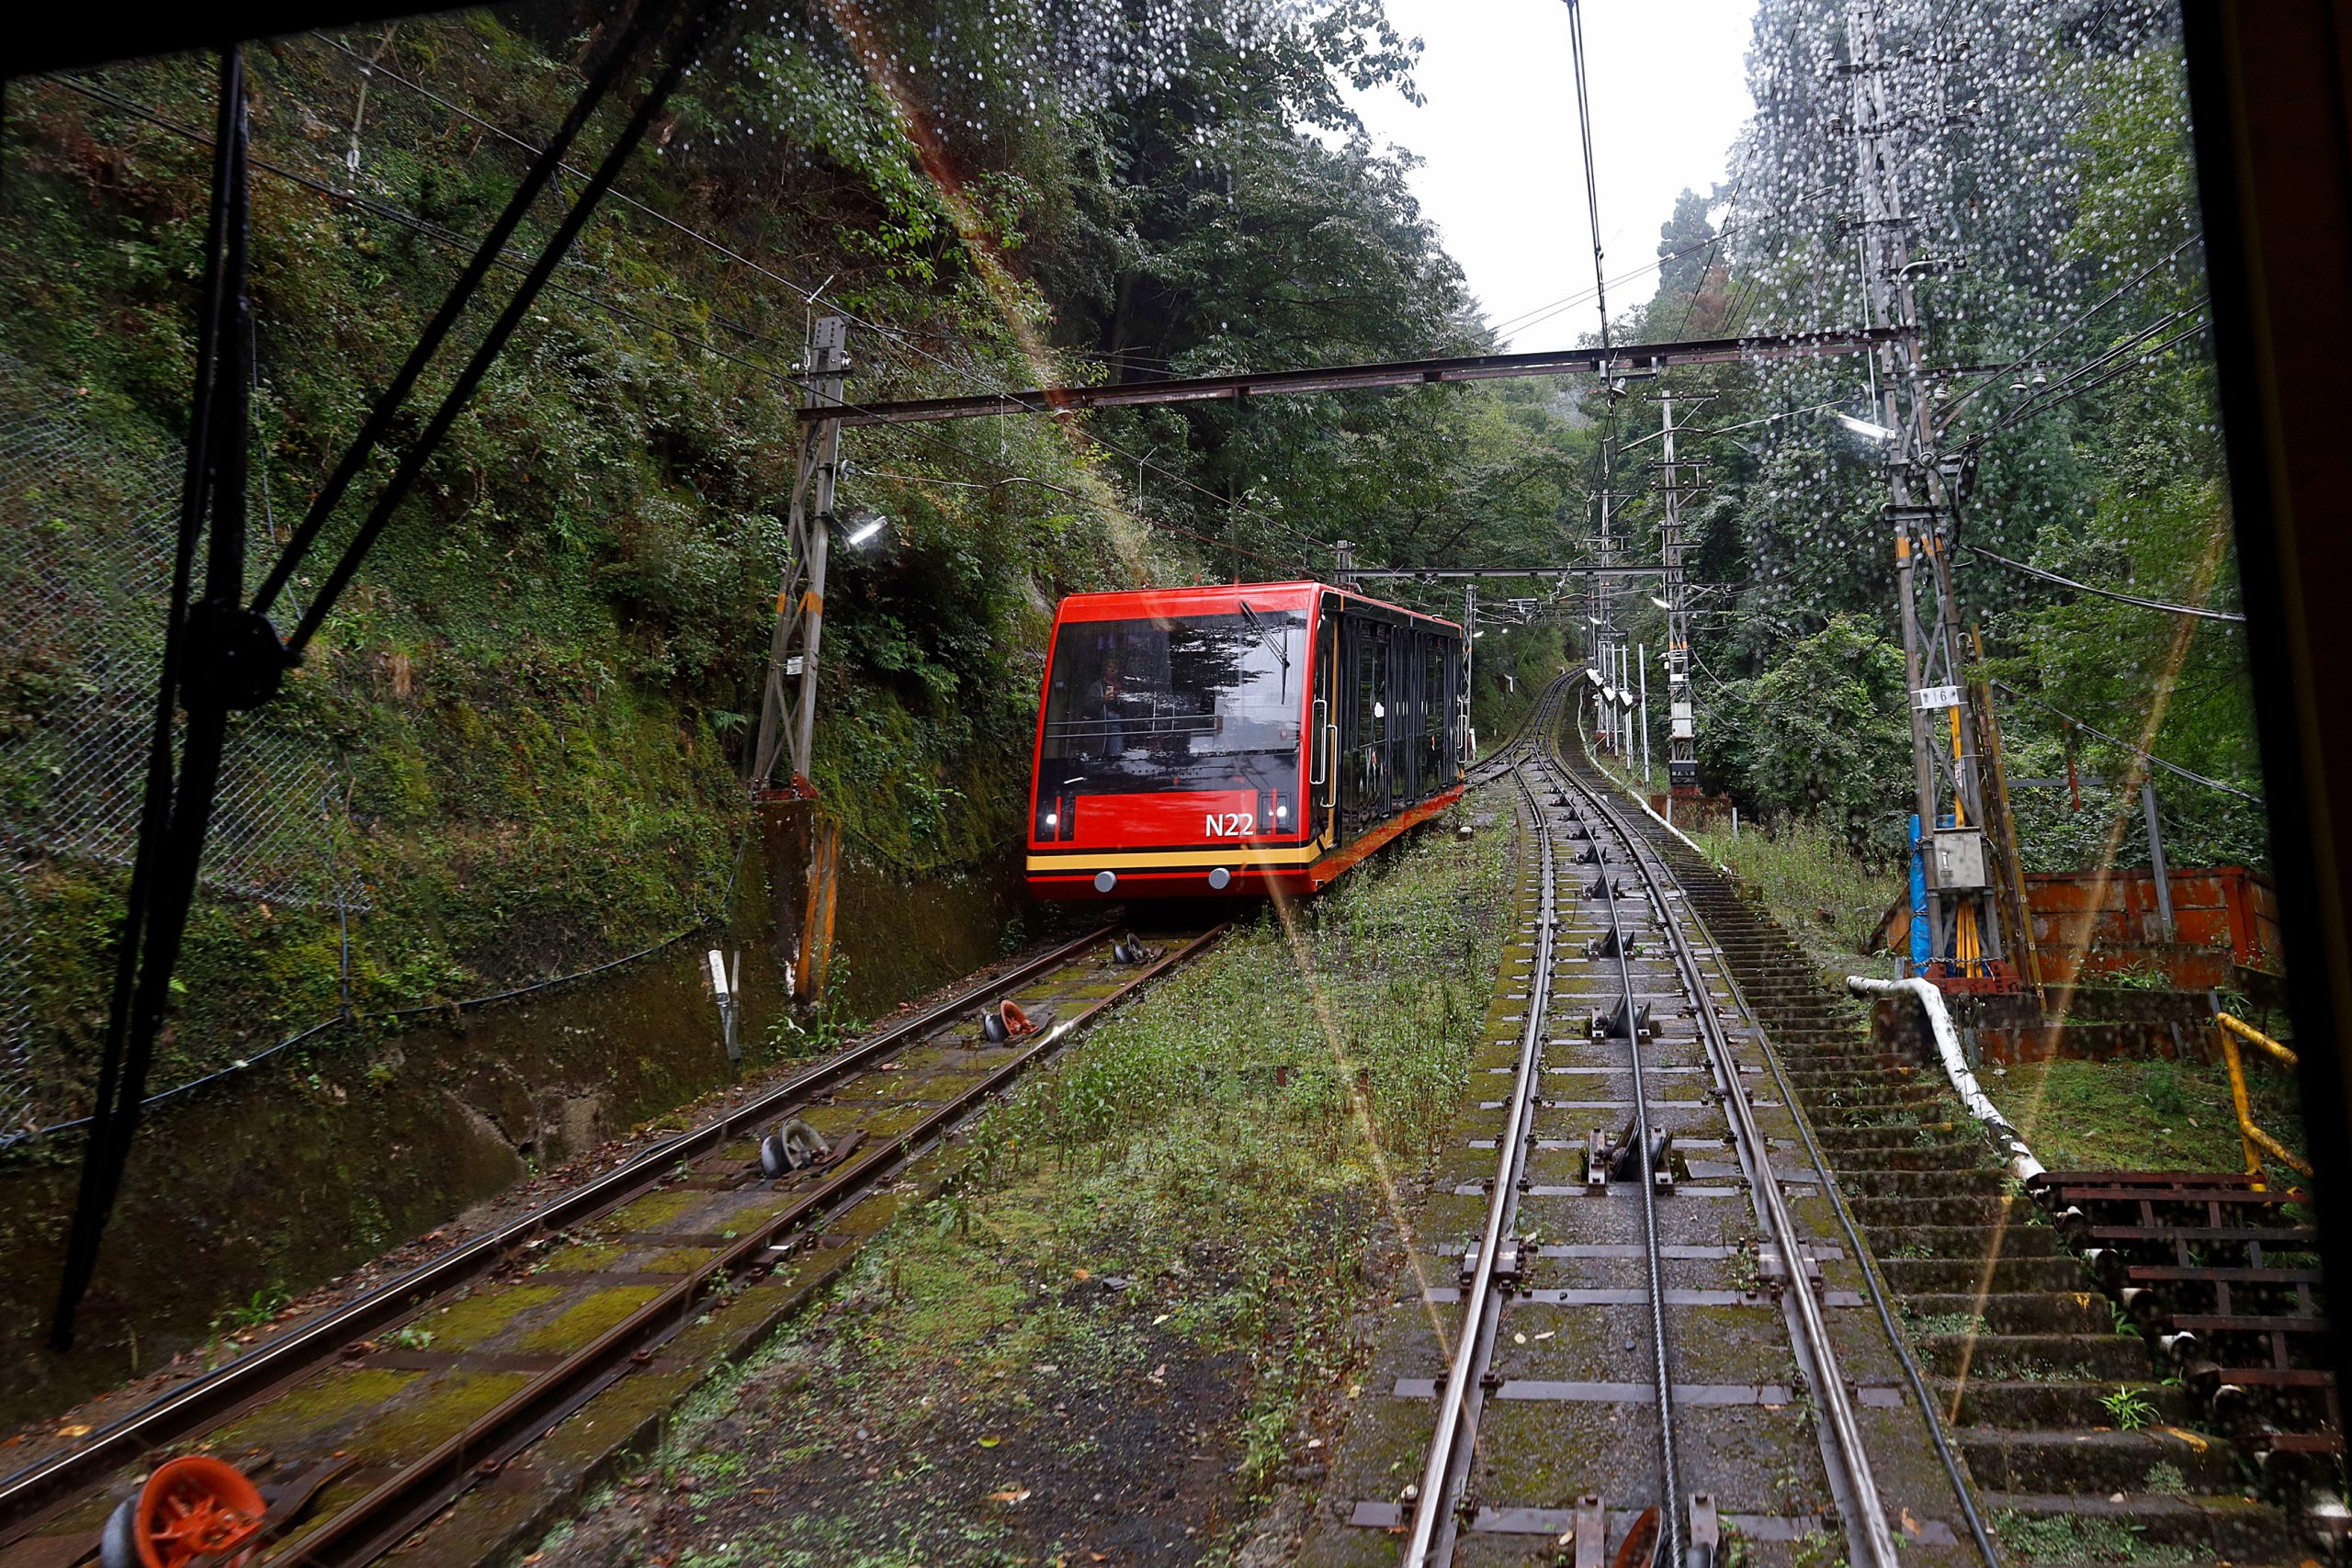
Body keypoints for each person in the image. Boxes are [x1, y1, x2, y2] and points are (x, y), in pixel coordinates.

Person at [1083, 652, 1130, 760]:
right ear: (1105, 669)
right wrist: (1102, 700)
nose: (1112, 670)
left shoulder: (1124, 687)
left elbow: (1132, 711)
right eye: (1110, 667)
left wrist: (1124, 699)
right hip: (1099, 727)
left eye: (1115, 668)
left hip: (1118, 725)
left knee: (1116, 755)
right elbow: (1088, 706)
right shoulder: (1097, 686)